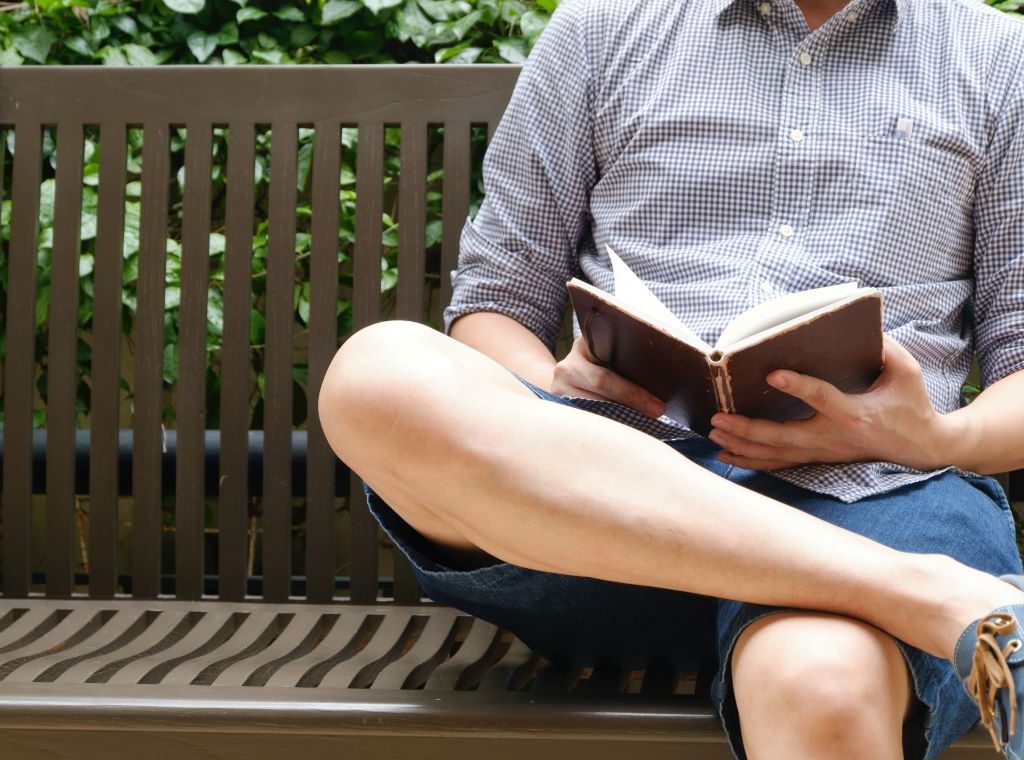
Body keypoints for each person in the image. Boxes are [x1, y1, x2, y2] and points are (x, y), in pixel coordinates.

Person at [317, 0, 1024, 756]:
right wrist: (552, 384)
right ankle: (921, 594)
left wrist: (934, 437)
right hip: (596, 517)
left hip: (875, 496)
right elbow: (496, 302)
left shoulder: (997, 57)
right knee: (377, 373)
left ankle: (887, 588)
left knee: (822, 683)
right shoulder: (602, 28)